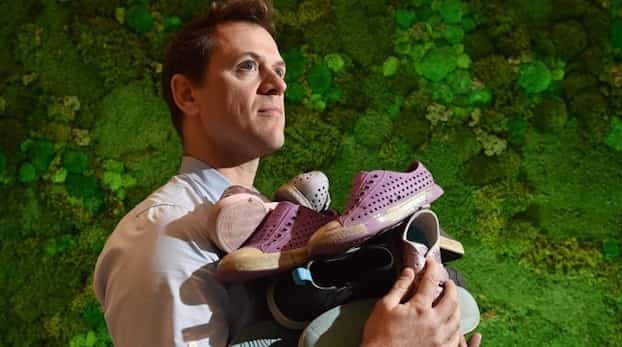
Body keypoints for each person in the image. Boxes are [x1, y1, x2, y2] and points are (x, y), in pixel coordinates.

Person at [93, 0, 482, 346]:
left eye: (279, 70)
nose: (277, 84)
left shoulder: (268, 227)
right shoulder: (165, 238)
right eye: (247, 66)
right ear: (187, 95)